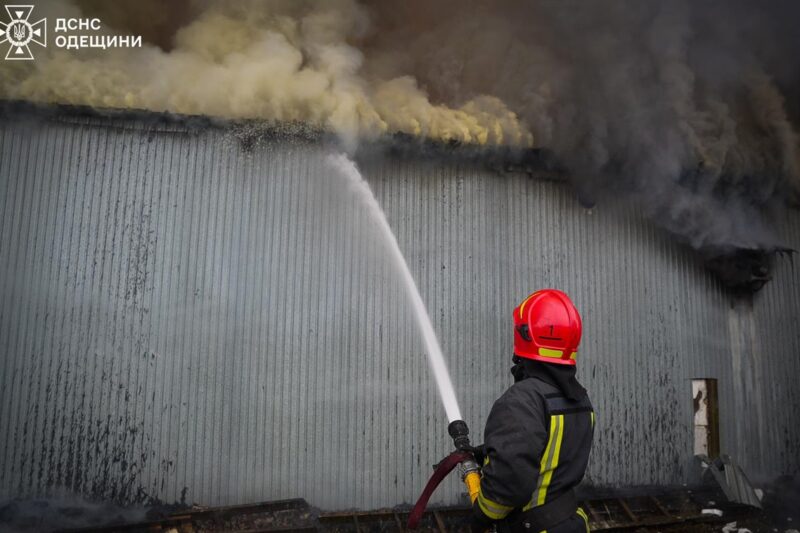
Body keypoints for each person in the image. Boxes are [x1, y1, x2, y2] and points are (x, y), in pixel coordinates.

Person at [468, 289, 595, 532]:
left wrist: (480, 515)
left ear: (525, 335)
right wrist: (489, 453)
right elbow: (549, 453)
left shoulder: (522, 400)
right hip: (571, 522)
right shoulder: (580, 399)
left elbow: (507, 488)